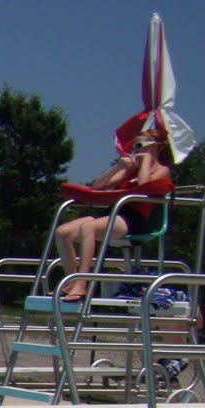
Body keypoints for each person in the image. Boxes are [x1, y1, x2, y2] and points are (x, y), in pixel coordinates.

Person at [54, 130, 175, 303]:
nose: (135, 151)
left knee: (88, 228)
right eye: (134, 147)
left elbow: (144, 186)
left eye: (140, 146)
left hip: (135, 218)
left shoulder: (162, 170)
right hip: (116, 212)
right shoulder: (131, 170)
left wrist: (146, 160)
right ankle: (71, 281)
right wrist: (118, 167)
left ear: (154, 147)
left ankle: (82, 284)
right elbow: (98, 186)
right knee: (62, 232)